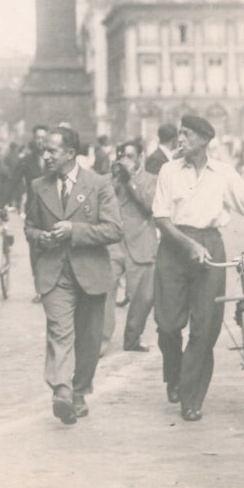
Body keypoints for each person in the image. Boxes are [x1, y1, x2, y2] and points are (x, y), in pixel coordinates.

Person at [151, 114, 244, 421]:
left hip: (210, 246)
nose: (180, 139)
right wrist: (189, 245)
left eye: (186, 134)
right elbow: (161, 217)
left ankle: (191, 398)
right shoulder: (169, 170)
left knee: (205, 327)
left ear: (204, 139)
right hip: (174, 247)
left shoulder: (223, 174)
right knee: (168, 324)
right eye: (179, 134)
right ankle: (173, 374)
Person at [24, 127, 121, 424]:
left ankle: (79, 391)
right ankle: (62, 390)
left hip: (91, 272)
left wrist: (74, 230)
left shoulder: (98, 184)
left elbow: (114, 229)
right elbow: (29, 227)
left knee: (89, 341)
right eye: (44, 150)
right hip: (55, 272)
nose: (46, 155)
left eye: (52, 150)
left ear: (70, 153)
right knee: (59, 330)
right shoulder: (39, 186)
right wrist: (42, 237)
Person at [110, 138, 158, 353]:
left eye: (130, 156)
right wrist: (116, 177)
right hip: (113, 244)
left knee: (144, 298)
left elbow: (149, 204)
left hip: (141, 243)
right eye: (122, 156)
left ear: (141, 158)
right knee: (104, 293)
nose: (125, 161)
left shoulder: (151, 180)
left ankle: (132, 339)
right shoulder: (110, 180)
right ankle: (99, 343)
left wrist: (131, 179)